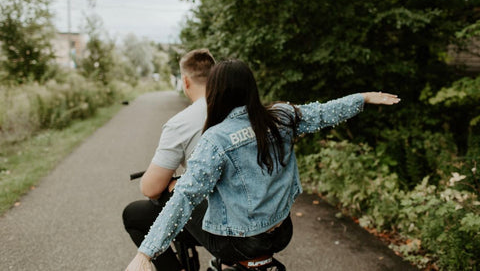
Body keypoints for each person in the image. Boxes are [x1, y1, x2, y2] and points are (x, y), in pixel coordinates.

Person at [125, 59, 401, 271]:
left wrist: (145, 253)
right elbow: (324, 112)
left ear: (215, 93)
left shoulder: (216, 139)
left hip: (239, 242)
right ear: (250, 88)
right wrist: (362, 97)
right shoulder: (279, 117)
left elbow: (184, 199)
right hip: (281, 232)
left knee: (174, 192)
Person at [122, 48, 216, 271]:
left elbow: (151, 189)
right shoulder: (243, 112)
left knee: (133, 215)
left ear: (185, 81)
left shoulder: (182, 123)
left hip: (213, 224)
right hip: (258, 216)